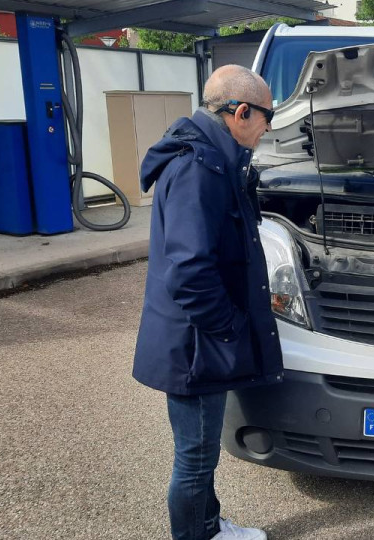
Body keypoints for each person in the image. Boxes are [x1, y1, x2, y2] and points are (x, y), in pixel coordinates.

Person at [133, 64, 283, 540]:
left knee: (200, 453)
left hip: (197, 339)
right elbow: (189, 271)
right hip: (196, 346)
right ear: (241, 112)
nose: (268, 129)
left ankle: (208, 526)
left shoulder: (213, 159)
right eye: (268, 117)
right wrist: (229, 329)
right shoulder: (199, 168)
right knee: (195, 457)